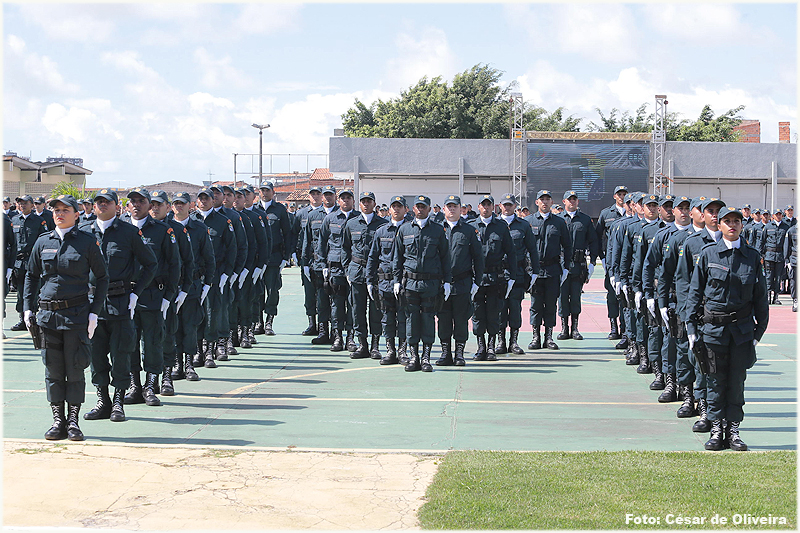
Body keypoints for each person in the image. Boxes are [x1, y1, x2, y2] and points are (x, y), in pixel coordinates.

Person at [23, 194, 109, 441]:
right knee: (53, 370)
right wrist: (27, 308)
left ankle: (73, 421)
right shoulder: (43, 241)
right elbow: (31, 275)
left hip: (76, 315)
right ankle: (57, 420)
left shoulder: (87, 242)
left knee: (75, 369)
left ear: (76, 214)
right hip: (48, 317)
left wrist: (94, 312)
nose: (59, 214)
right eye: (56, 210)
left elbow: (102, 278)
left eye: (65, 210)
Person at [685, 206, 769, 451]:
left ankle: (733, 431)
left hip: (742, 332)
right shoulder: (708, 254)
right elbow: (695, 292)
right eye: (727, 221)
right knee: (714, 381)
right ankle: (716, 430)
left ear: (742, 225)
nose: (732, 225)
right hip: (713, 330)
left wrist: (758, 333)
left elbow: (760, 297)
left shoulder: (752, 256)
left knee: (736, 382)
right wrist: (691, 328)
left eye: (736, 221)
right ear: (719, 225)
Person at [124, 188, 180, 407]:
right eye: (133, 201)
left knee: (153, 342)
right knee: (128, 343)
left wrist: (169, 295)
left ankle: (150, 386)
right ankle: (134, 386)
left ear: (149, 205)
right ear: (128, 205)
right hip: (125, 296)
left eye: (141, 201)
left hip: (152, 295)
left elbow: (174, 265)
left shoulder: (162, 231)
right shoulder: (120, 229)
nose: (137, 205)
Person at [676, 196, 725, 433]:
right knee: (701, 362)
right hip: (700, 314)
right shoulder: (693, 243)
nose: (715, 215)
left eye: (718, 211)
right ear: (703, 215)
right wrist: (688, 314)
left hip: (723, 314)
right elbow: (684, 281)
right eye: (710, 211)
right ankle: (703, 409)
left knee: (721, 368)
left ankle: (719, 414)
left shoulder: (734, 243)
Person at [392, 195, 451, 372]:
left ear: (429, 209)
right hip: (410, 283)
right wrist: (396, 281)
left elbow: (445, 258)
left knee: (427, 319)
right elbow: (397, 258)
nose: (420, 209)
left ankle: (426, 357)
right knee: (411, 319)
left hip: (430, 284)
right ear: (413, 209)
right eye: (417, 206)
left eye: (423, 206)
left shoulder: (438, 230)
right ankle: (414, 357)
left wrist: (447, 281)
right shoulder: (404, 229)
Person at [642, 195, 691, 402]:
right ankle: (669, 380)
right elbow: (649, 265)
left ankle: (687, 387)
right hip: (669, 296)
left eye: (686, 208)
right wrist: (648, 294)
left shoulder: (696, 236)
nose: (680, 212)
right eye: (677, 208)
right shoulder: (663, 235)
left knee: (689, 344)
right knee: (669, 340)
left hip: (691, 297)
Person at [149, 190, 194, 395]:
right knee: (146, 340)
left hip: (167, 291)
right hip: (142, 293)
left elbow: (187, 262)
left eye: (159, 204)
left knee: (167, 335)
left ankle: (167, 376)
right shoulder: (138, 230)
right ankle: (148, 381)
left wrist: (184, 289)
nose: (155, 208)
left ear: (167, 207)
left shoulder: (176, 230)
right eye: (152, 204)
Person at [169, 191, 215, 381]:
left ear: (190, 205)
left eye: (182, 203)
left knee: (190, 326)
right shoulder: (166, 228)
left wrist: (207, 284)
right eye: (176, 203)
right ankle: (176, 364)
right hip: (170, 286)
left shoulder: (199, 228)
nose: (179, 206)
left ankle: (188, 364)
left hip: (193, 285)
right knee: (172, 327)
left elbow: (209, 257)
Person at [435, 194, 484, 366]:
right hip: (441, 284)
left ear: (460, 208)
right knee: (443, 320)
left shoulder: (469, 230)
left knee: (461, 320)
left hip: (462, 283)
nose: (452, 209)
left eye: (455, 206)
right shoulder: (436, 230)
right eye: (449, 206)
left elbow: (478, 257)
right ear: (443, 209)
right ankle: (445, 353)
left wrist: (477, 282)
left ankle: (459, 354)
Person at [191, 188, 235, 367]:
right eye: (200, 198)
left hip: (215, 274)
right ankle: (197, 350)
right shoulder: (191, 221)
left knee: (212, 312)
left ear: (213, 200)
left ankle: (210, 349)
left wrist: (227, 273)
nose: (203, 201)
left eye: (207, 198)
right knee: (195, 313)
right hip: (195, 275)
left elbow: (232, 249)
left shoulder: (223, 221)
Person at [470, 194, 517, 360]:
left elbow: (511, 252)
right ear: (478, 207)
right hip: (476, 278)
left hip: (495, 278)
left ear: (493, 207)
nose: (485, 208)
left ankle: (491, 346)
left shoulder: (501, 227)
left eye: (488, 205)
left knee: (493, 312)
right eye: (483, 205)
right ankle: (480, 346)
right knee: (477, 313)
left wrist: (512, 276)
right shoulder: (471, 226)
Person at [524, 190, 571, 350]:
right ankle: (535, 337)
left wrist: (566, 267)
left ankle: (548, 337)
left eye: (547, 199)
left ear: (552, 202)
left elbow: (567, 246)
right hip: (535, 271)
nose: (544, 202)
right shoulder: (528, 221)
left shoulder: (559, 222)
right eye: (541, 199)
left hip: (552, 270)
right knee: (536, 305)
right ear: (536, 202)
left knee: (551, 304)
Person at [343, 191, 387, 359]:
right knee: (357, 309)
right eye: (363, 201)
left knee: (376, 310)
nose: (366, 204)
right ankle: (362, 345)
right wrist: (347, 269)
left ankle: (375, 345)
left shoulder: (383, 224)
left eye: (369, 201)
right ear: (359, 204)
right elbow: (345, 248)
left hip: (376, 274)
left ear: (374, 204)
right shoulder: (351, 224)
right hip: (357, 271)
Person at [367, 196, 411, 365]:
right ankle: (390, 350)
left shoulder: (410, 230)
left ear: (406, 209)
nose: (396, 209)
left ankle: (403, 351)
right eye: (394, 206)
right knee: (387, 317)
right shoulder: (381, 231)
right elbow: (373, 257)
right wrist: (369, 280)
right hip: (385, 282)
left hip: (405, 282)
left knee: (404, 317)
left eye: (400, 206)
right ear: (390, 209)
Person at [317, 189, 359, 351]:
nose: (346, 200)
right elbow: (321, 243)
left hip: (354, 267)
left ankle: (351, 337)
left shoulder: (358, 219)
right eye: (343, 198)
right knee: (337, 304)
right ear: (338, 201)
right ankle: (337, 337)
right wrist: (323, 265)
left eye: (349, 198)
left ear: (353, 201)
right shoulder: (330, 218)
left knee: (353, 304)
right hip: (336, 268)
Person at [497, 193, 538, 355]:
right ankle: (501, 341)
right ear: (500, 206)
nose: (507, 207)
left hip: (518, 273)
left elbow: (532, 249)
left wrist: (535, 271)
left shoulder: (523, 225)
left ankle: (513, 342)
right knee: (500, 309)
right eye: (505, 205)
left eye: (510, 205)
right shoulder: (494, 224)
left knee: (515, 308)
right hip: (499, 274)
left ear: (515, 206)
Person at [557, 190, 598, 341]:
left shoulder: (585, 220)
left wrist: (592, 262)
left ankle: (575, 328)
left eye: (574, 199)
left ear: (578, 202)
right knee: (562, 297)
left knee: (575, 297)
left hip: (578, 265)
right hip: (561, 265)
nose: (572, 202)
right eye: (569, 199)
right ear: (564, 201)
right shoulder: (558, 219)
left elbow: (593, 241)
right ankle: (564, 328)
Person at [302, 185, 339, 345]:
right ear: (322, 197)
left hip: (337, 264)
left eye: (331, 194)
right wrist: (304, 262)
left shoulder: (341, 215)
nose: (328, 197)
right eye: (326, 195)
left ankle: (336, 332)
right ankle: (323, 331)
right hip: (318, 264)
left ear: (335, 196)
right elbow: (307, 240)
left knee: (337, 301)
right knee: (322, 300)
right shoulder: (313, 215)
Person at [257, 181, 292, 335]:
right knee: (257, 291)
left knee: (272, 290)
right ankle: (258, 322)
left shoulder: (280, 210)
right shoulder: (254, 209)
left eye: (267, 190)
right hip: (257, 258)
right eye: (262, 190)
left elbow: (287, 233)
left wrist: (286, 256)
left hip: (274, 257)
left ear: (273, 192)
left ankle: (269, 321)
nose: (265, 193)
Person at [595, 185, 628, 340]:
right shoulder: (606, 213)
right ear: (614, 196)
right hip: (611, 262)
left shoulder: (632, 213)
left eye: (624, 194)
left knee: (625, 297)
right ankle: (614, 327)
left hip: (627, 262)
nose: (622, 197)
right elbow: (597, 237)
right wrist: (602, 257)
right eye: (619, 194)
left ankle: (625, 328)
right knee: (612, 296)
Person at [10, 195, 48, 331]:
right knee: (20, 292)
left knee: (34, 290)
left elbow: (44, 242)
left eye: (25, 203)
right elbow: (11, 242)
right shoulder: (14, 220)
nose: (22, 205)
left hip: (33, 261)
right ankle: (22, 319)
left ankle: (33, 318)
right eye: (20, 203)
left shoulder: (39, 221)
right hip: (18, 262)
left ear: (32, 205)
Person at [294, 185, 324, 335]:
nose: (315, 196)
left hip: (323, 259)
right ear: (309, 196)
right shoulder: (301, 214)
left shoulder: (327, 213)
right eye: (313, 194)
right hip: (307, 258)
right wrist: (295, 254)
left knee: (324, 293)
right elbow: (295, 234)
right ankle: (312, 323)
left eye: (318, 193)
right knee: (309, 292)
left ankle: (324, 325)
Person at [757, 208, 789, 304]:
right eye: (776, 214)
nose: (778, 216)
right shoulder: (768, 226)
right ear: (773, 216)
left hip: (780, 256)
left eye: (780, 214)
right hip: (769, 255)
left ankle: (776, 297)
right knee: (769, 277)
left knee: (778, 277)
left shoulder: (785, 227)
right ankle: (767, 296)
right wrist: (760, 255)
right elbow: (762, 241)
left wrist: (786, 257)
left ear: (782, 216)